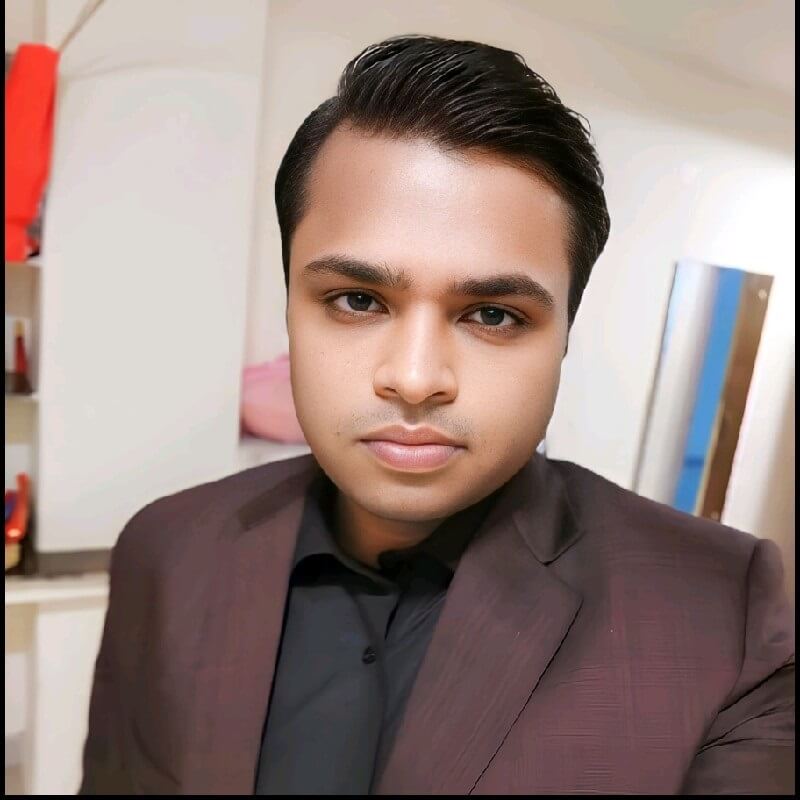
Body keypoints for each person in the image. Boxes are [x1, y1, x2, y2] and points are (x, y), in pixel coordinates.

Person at [79, 35, 794, 795]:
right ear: (290, 305)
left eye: (492, 314)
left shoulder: (722, 614)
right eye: (358, 300)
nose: (416, 380)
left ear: (564, 335)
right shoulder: (167, 548)